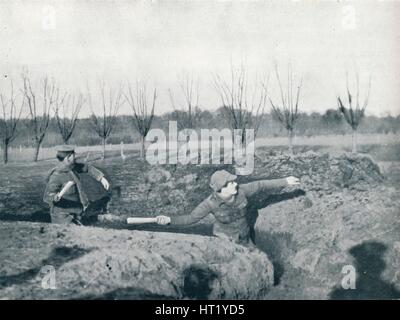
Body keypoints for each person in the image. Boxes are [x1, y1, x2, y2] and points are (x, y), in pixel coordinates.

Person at [156, 169, 300, 246]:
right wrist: (169, 220)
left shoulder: (242, 190)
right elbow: (190, 218)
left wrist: (285, 181)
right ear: (220, 189)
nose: (235, 184)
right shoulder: (209, 203)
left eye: (233, 181)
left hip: (245, 238)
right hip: (224, 242)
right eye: (230, 183)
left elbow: (261, 185)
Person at [43, 145, 111, 225]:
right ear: (68, 158)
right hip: (63, 217)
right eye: (73, 155)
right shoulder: (56, 175)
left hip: (77, 212)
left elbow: (87, 168)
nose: (75, 157)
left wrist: (101, 178)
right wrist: (55, 197)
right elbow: (47, 196)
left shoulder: (72, 167)